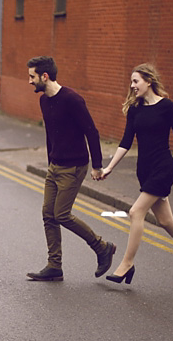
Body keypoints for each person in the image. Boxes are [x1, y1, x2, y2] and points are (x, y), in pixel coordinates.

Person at [99, 63, 173, 284]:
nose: (132, 86)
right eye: (131, 82)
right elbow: (125, 141)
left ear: (148, 81)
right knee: (165, 220)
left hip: (163, 168)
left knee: (135, 212)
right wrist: (109, 168)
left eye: (136, 81)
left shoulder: (167, 107)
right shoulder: (134, 110)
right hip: (144, 169)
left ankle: (127, 264)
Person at [26, 56, 117, 282]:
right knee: (48, 214)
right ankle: (54, 266)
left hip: (74, 166)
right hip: (55, 166)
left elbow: (91, 132)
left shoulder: (72, 99)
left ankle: (102, 247)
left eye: (32, 76)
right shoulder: (44, 101)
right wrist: (50, 162)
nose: (29, 81)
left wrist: (97, 165)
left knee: (61, 214)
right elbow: (51, 135)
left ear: (44, 76)